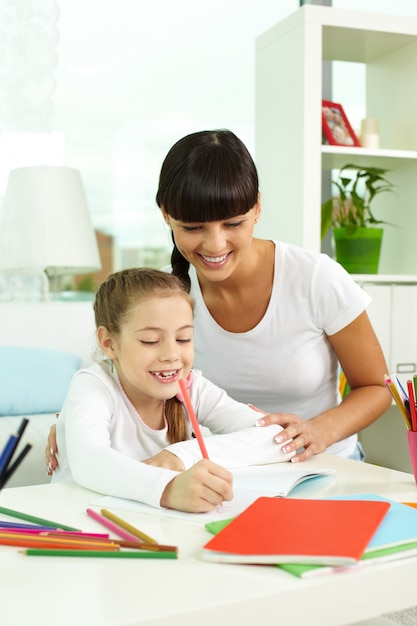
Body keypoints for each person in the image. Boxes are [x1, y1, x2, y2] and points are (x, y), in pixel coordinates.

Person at [47, 128, 391, 473]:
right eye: (194, 228)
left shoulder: (315, 278)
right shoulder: (167, 295)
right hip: (219, 469)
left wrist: (318, 431)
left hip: (319, 464)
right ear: (166, 214)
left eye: (233, 223)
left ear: (257, 207)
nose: (214, 245)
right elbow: (124, 374)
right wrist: (77, 421)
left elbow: (376, 387)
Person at [50, 267, 293, 512]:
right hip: (82, 525)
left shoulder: (191, 386)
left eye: (183, 338)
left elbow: (275, 436)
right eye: (150, 341)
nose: (171, 355)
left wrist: (180, 456)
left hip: (156, 527)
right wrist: (168, 489)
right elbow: (89, 461)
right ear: (109, 343)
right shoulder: (93, 385)